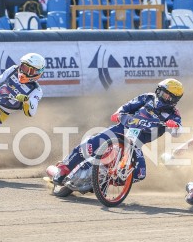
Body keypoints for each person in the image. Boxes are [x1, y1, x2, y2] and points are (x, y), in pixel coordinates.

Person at [50, 78, 184, 185]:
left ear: (173, 99)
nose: (161, 96)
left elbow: (178, 131)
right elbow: (127, 106)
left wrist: (174, 126)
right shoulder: (147, 98)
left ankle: (106, 181)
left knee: (140, 173)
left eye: (166, 95)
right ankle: (64, 168)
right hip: (122, 128)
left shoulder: (173, 114)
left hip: (137, 141)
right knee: (91, 144)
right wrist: (119, 113)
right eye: (160, 92)